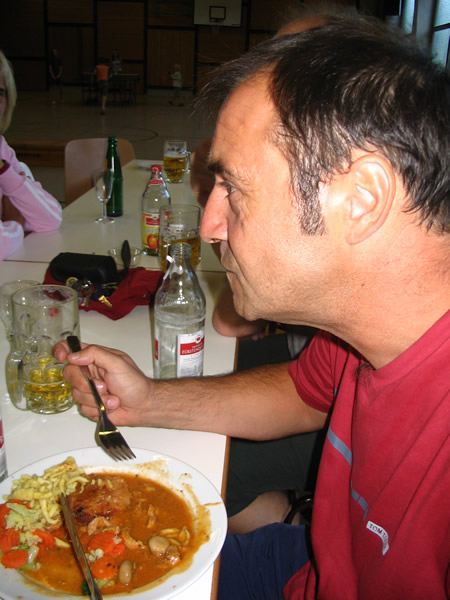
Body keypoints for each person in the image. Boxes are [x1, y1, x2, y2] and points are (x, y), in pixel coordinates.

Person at [55, 16, 449, 600]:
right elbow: (301, 392)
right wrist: (148, 399)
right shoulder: (366, 330)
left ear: (362, 201)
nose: (209, 225)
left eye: (234, 189)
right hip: (310, 567)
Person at [0, 50, 62, 261]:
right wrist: (15, 225)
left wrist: (5, 173)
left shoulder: (2, 150)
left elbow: (50, 218)